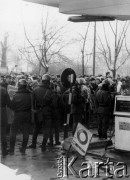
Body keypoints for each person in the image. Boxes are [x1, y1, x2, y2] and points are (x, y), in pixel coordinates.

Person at [28, 74, 55, 152]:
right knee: (47, 129)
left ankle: (33, 144)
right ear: (49, 82)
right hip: (47, 111)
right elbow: (54, 104)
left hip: (37, 111)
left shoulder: (35, 90)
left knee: (36, 128)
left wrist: (34, 111)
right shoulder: (51, 91)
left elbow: (32, 102)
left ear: (42, 81)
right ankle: (43, 145)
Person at [9, 79, 32, 155]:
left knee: (13, 131)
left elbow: (12, 106)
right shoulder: (30, 95)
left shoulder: (16, 95)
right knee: (26, 132)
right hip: (27, 115)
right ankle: (23, 148)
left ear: (19, 86)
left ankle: (11, 149)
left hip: (18, 115)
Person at [0, 80, 12, 156]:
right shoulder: (3, 90)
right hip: (2, 111)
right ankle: (4, 150)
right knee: (2, 132)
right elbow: (9, 103)